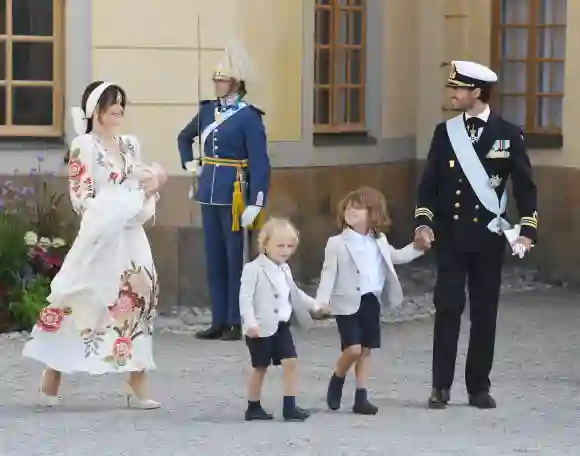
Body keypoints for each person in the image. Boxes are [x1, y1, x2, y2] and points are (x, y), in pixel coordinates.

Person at [22, 81, 167, 409]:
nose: (119, 108)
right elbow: (81, 198)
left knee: (139, 299)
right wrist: (121, 204)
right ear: (95, 109)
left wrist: (155, 182)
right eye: (112, 102)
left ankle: (136, 380)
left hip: (131, 237)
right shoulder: (83, 146)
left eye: (122, 103)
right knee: (80, 299)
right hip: (100, 237)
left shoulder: (130, 144)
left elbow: (142, 183)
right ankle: (52, 376)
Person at [413, 61, 538, 409]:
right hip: (451, 237)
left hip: (488, 238)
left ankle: (478, 386)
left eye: (459, 89)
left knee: (484, 312)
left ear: (477, 93)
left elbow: (525, 187)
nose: (453, 94)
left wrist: (527, 229)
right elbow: (429, 186)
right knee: (448, 308)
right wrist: (424, 223)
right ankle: (440, 386)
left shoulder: (508, 133)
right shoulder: (445, 133)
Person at [177, 42, 270, 341]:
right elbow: (184, 137)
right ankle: (218, 319)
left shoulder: (249, 117)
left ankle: (235, 319)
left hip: (235, 194)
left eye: (222, 80)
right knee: (214, 258)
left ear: (236, 84)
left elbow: (259, 161)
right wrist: (190, 163)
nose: (217, 84)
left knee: (235, 261)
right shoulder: (207, 111)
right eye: (215, 80)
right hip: (208, 192)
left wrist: (256, 201)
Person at [316, 187, 426, 415]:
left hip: (370, 301)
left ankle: (361, 396)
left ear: (373, 213)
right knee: (353, 348)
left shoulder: (379, 240)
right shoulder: (337, 243)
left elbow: (395, 257)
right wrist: (321, 301)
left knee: (365, 350)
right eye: (348, 207)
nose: (351, 211)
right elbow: (328, 274)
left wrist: (416, 248)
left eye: (358, 207)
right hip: (346, 303)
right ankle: (338, 375)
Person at [239, 217, 330, 422]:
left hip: (282, 325)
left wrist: (315, 305)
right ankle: (253, 406)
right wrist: (250, 323)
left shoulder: (285, 269)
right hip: (261, 327)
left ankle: (290, 406)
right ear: (265, 244)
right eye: (280, 245)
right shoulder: (254, 269)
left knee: (291, 362)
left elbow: (295, 293)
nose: (285, 250)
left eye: (290, 246)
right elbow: (245, 299)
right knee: (260, 366)